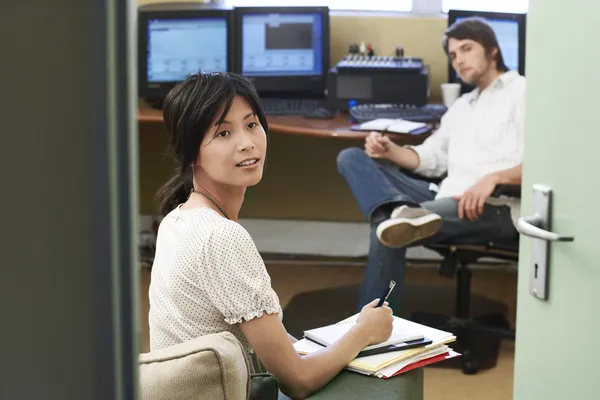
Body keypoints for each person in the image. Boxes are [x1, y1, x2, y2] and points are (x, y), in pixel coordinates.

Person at [148, 72, 394, 399]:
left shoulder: (178, 219)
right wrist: (362, 333)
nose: (247, 142)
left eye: (251, 124)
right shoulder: (220, 238)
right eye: (223, 132)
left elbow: (257, 339)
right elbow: (297, 381)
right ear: (191, 152)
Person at [337, 17, 525, 313]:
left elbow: (547, 164)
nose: (459, 60)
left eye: (466, 49)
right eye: (453, 55)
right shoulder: (463, 106)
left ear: (492, 51)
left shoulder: (522, 92)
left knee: (389, 228)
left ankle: (372, 333)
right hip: (445, 195)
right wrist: (390, 150)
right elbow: (431, 159)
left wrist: (494, 178)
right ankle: (400, 210)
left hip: (493, 204)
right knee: (351, 158)